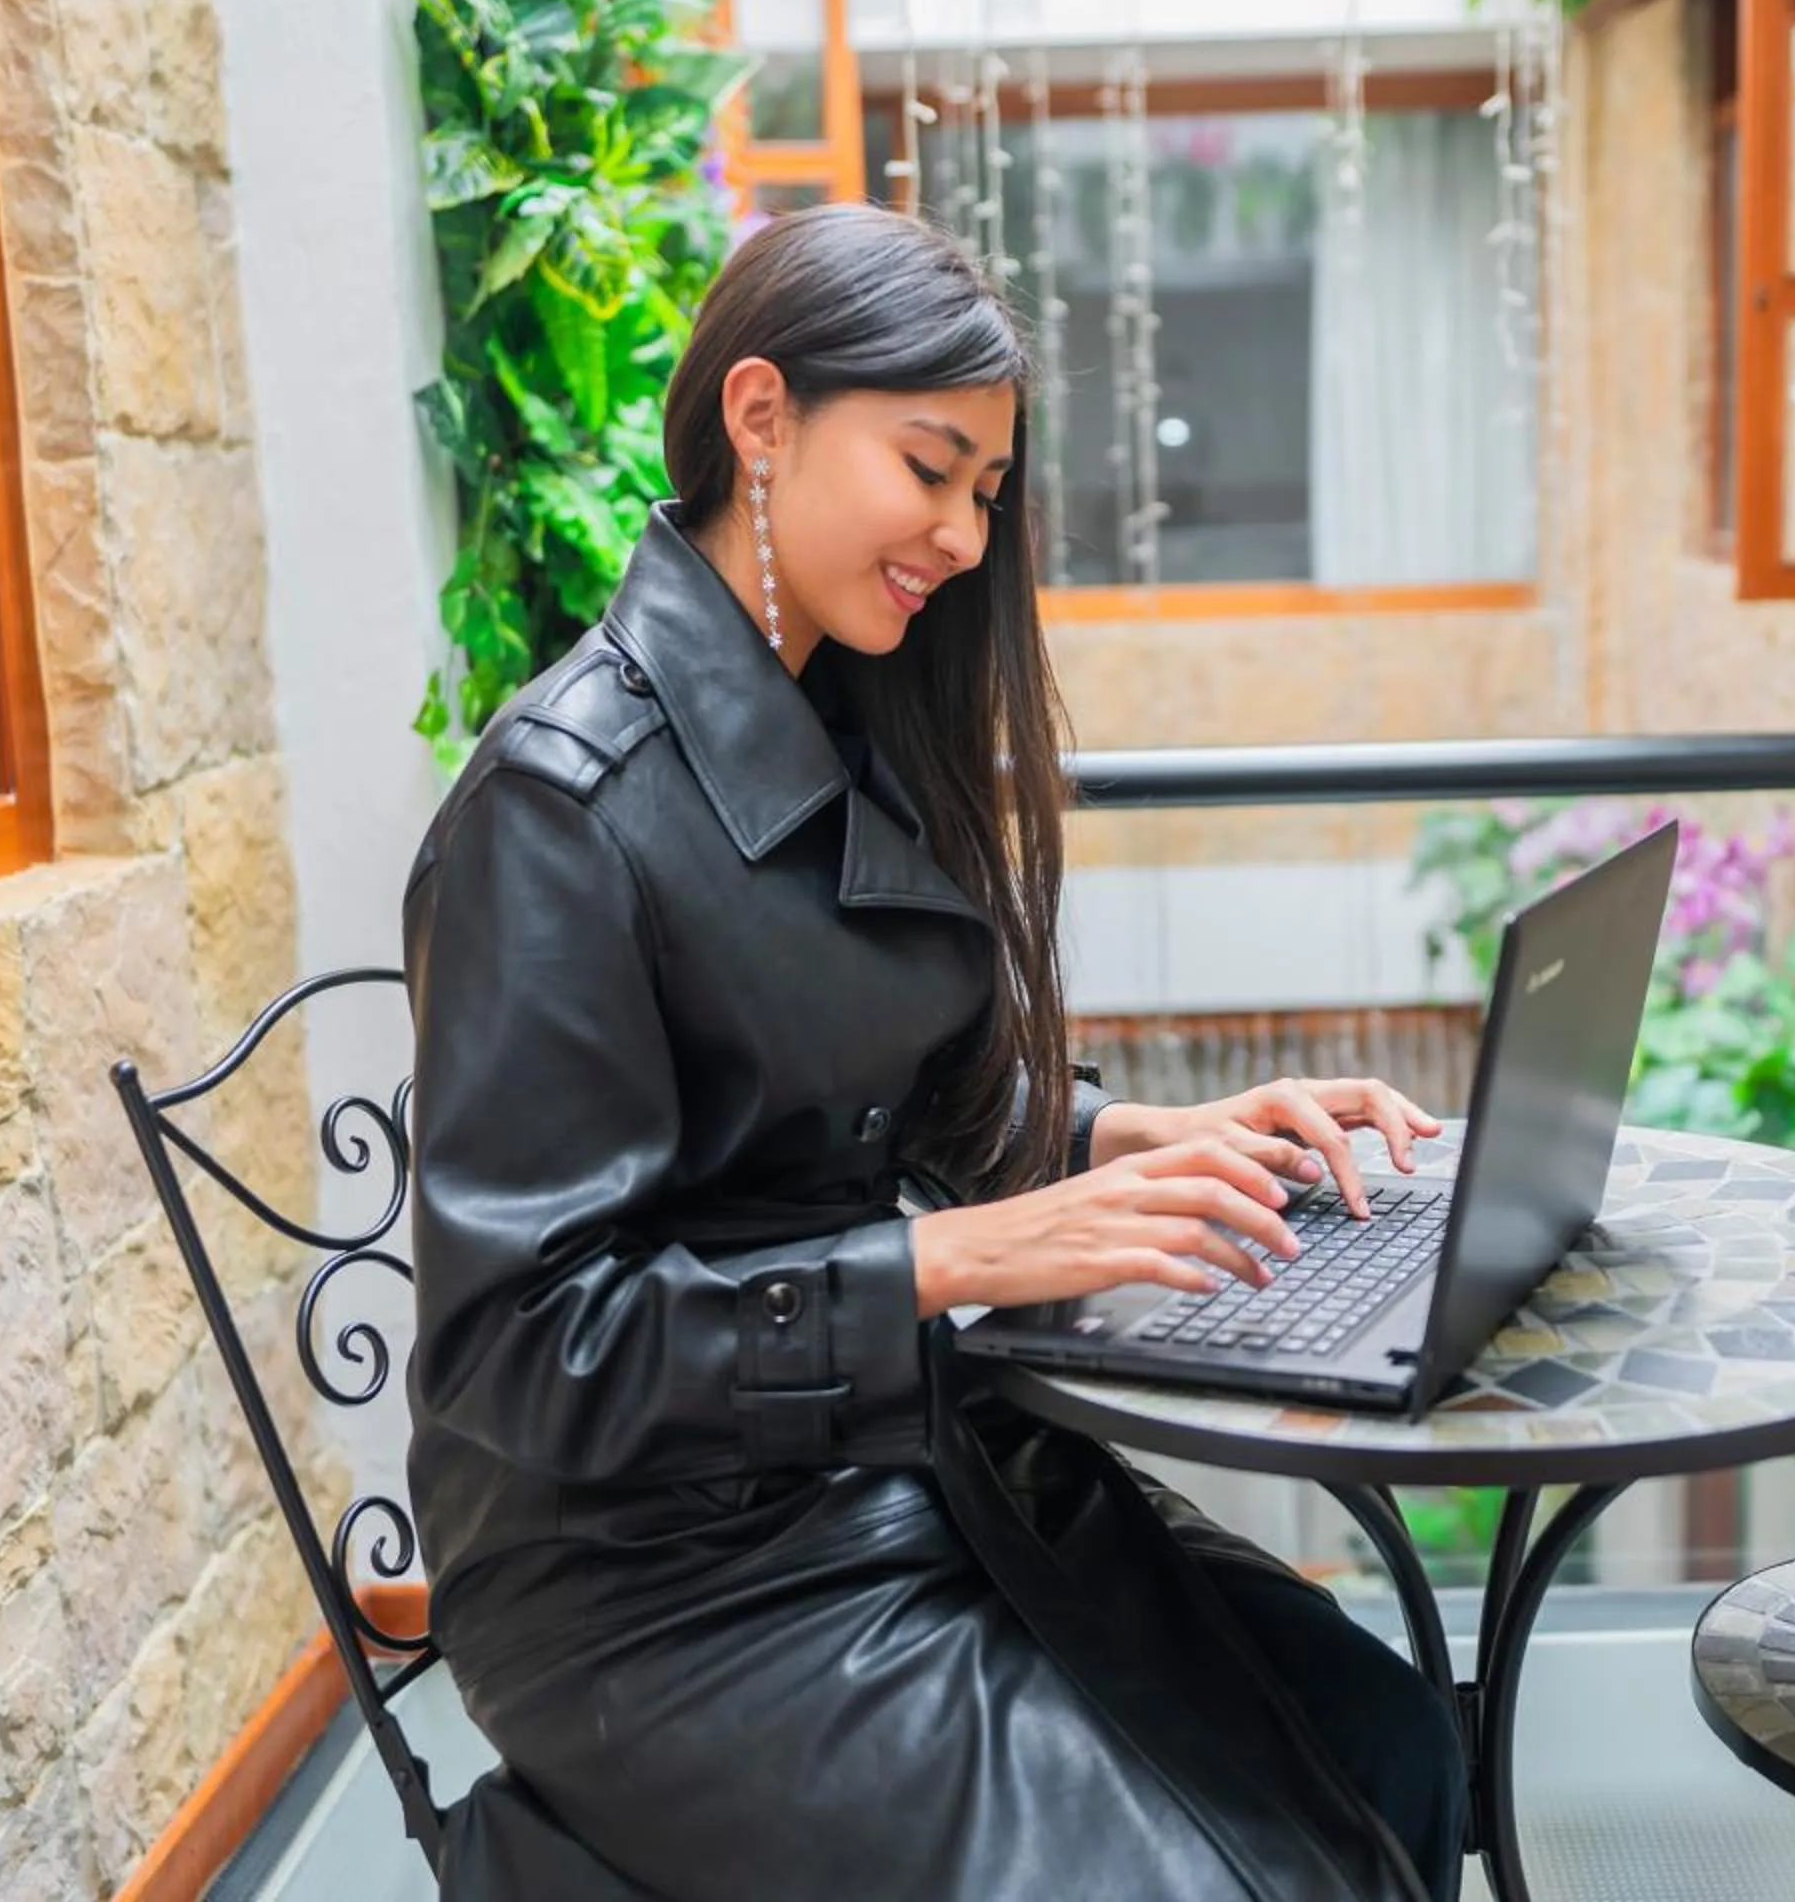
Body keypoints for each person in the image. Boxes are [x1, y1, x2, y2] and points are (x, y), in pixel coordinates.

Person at [402, 202, 1466, 1901]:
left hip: (900, 1455)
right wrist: (956, 1252)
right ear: (760, 418)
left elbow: (864, 1106)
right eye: (932, 467)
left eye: (988, 489)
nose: (968, 536)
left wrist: (1141, 1136)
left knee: (1395, 1741)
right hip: (647, 1571)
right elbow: (521, 1353)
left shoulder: (842, 711)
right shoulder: (558, 811)